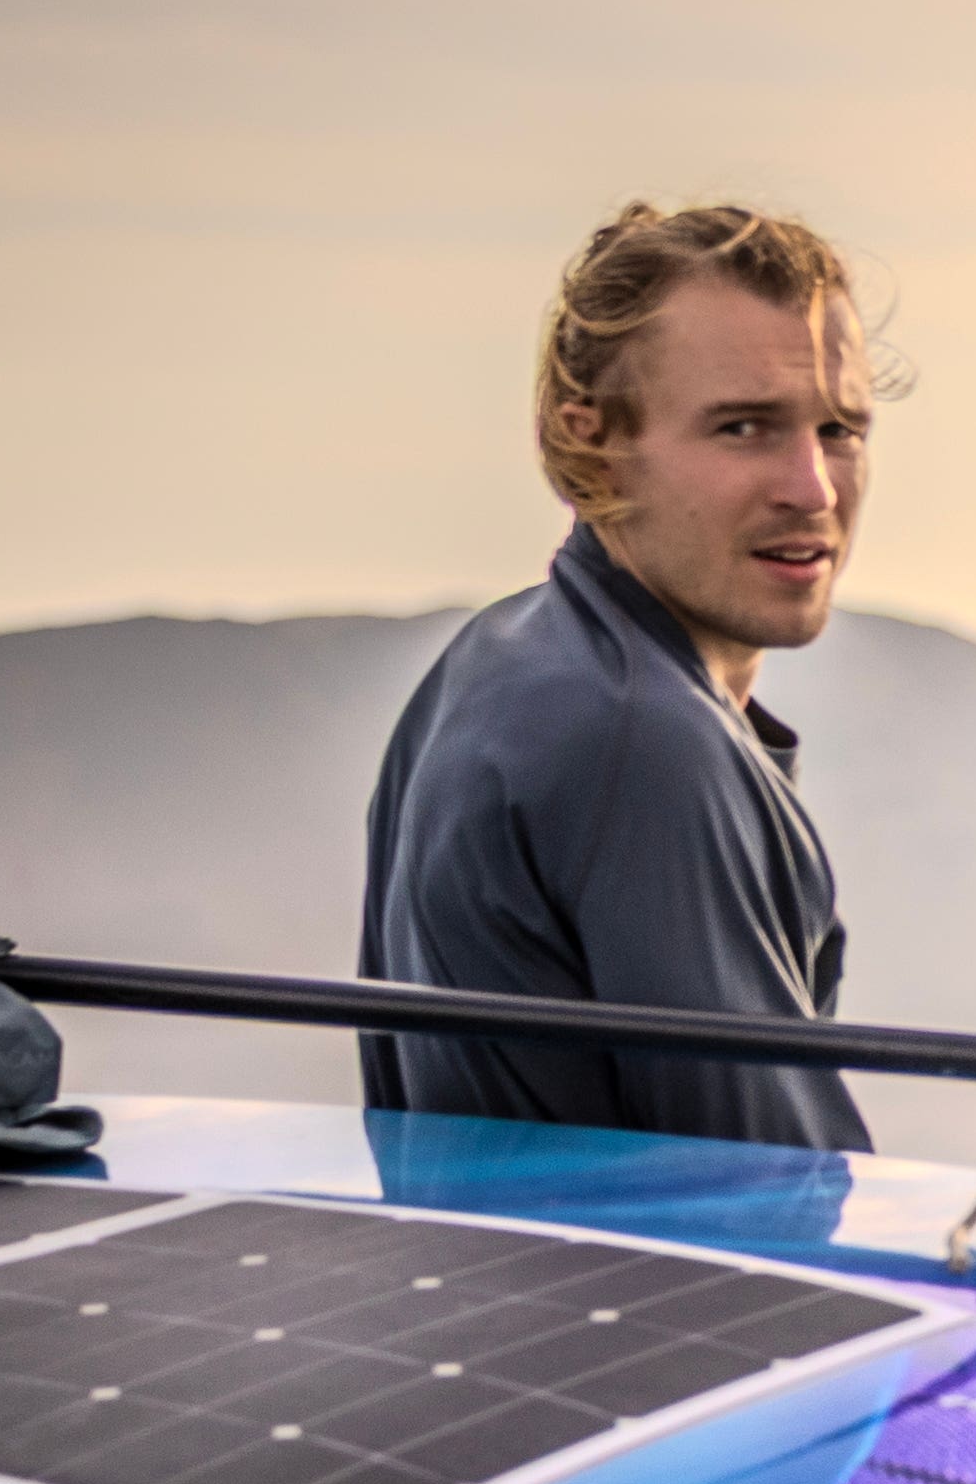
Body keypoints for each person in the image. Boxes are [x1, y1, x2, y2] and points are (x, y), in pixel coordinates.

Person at [357, 201, 889, 1149]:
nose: (812, 488)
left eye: (840, 429)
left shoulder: (494, 658)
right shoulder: (643, 742)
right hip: (628, 1291)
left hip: (499, 1282)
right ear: (593, 439)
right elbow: (782, 1199)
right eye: (742, 428)